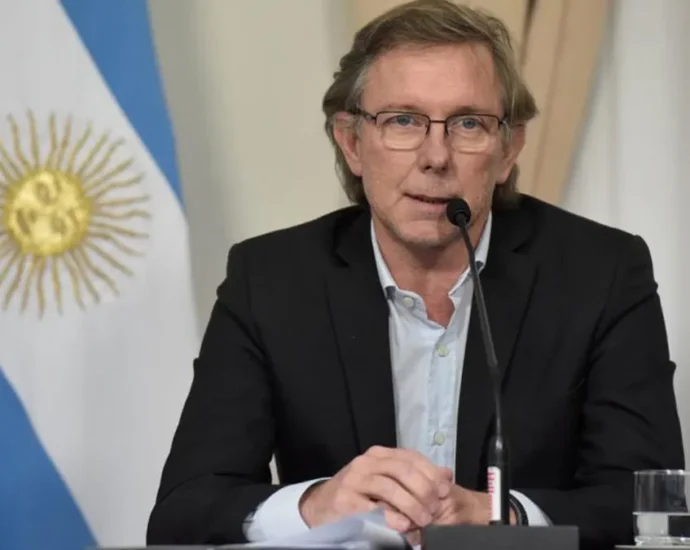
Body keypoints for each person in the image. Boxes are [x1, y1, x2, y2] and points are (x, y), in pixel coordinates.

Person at [146, 1, 684, 548]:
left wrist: (502, 517)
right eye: (402, 120)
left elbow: (652, 505)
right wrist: (315, 505)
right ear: (352, 143)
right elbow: (183, 511)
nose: (435, 156)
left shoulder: (602, 273)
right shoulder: (271, 281)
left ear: (508, 150)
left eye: (468, 123)